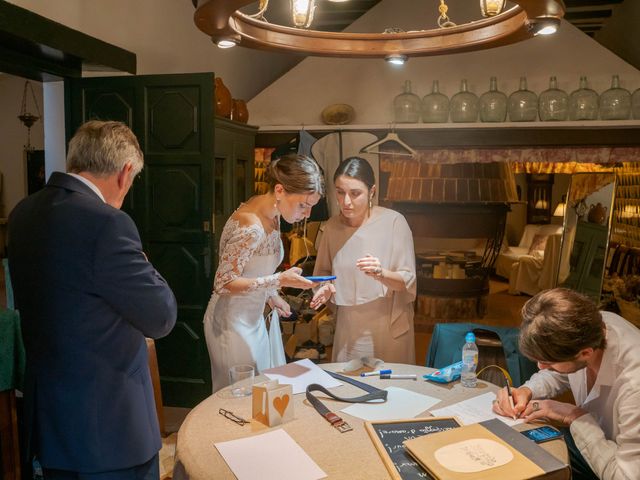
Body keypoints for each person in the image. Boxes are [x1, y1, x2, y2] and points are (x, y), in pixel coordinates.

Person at [8, 121, 177, 479]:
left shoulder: (23, 213)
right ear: (125, 172)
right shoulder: (107, 224)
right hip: (110, 429)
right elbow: (161, 317)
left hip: (49, 421)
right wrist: (146, 262)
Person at [204, 154, 324, 393]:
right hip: (231, 323)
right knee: (241, 396)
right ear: (280, 190)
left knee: (260, 392)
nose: (307, 214)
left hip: (254, 318)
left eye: (311, 206)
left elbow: (254, 268)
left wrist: (272, 295)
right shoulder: (250, 226)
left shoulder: (274, 215)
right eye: (303, 205)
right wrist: (278, 280)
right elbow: (223, 282)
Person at [493, 288, 640, 480]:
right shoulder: (592, 325)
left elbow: (626, 476)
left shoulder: (634, 385)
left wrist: (574, 416)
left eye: (548, 362)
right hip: (599, 440)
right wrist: (527, 390)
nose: (541, 367)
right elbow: (563, 371)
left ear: (585, 353)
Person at [310, 156, 416, 363]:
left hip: (387, 326)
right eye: (340, 192)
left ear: (372, 191)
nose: (346, 201)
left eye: (355, 193)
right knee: (347, 387)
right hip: (348, 327)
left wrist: (380, 273)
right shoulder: (332, 227)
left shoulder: (394, 222)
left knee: (392, 389)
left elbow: (407, 280)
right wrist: (322, 289)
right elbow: (322, 273)